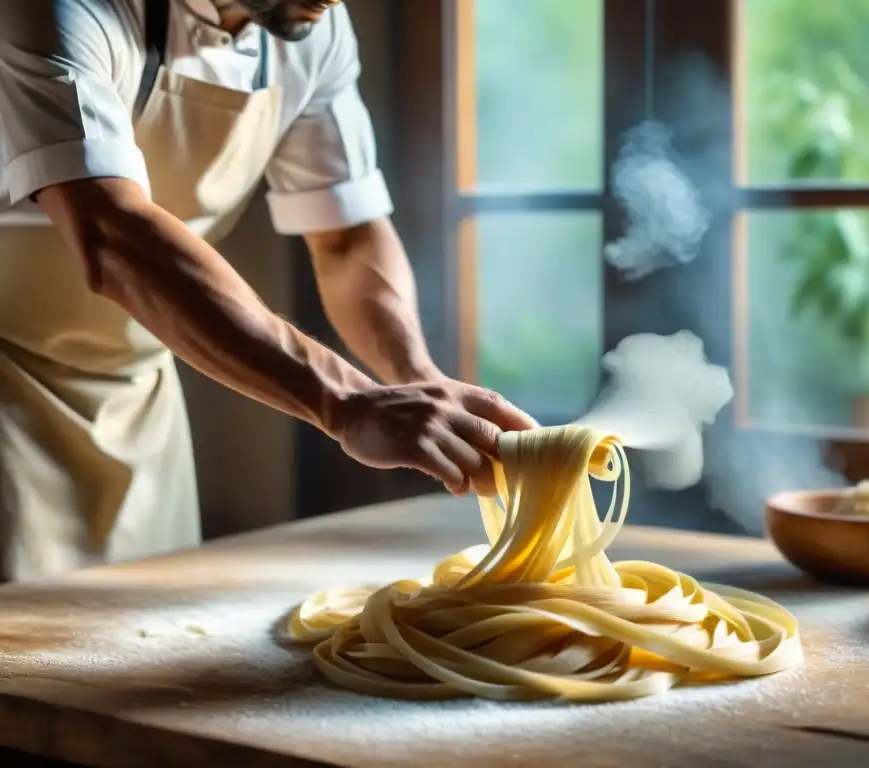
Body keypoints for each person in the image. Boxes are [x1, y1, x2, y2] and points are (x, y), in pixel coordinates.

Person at [0, 0, 537, 582]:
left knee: (142, 633)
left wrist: (416, 378)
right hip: (9, 381)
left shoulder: (314, 28)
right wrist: (346, 401)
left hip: (139, 396)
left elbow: (348, 237)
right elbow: (112, 233)